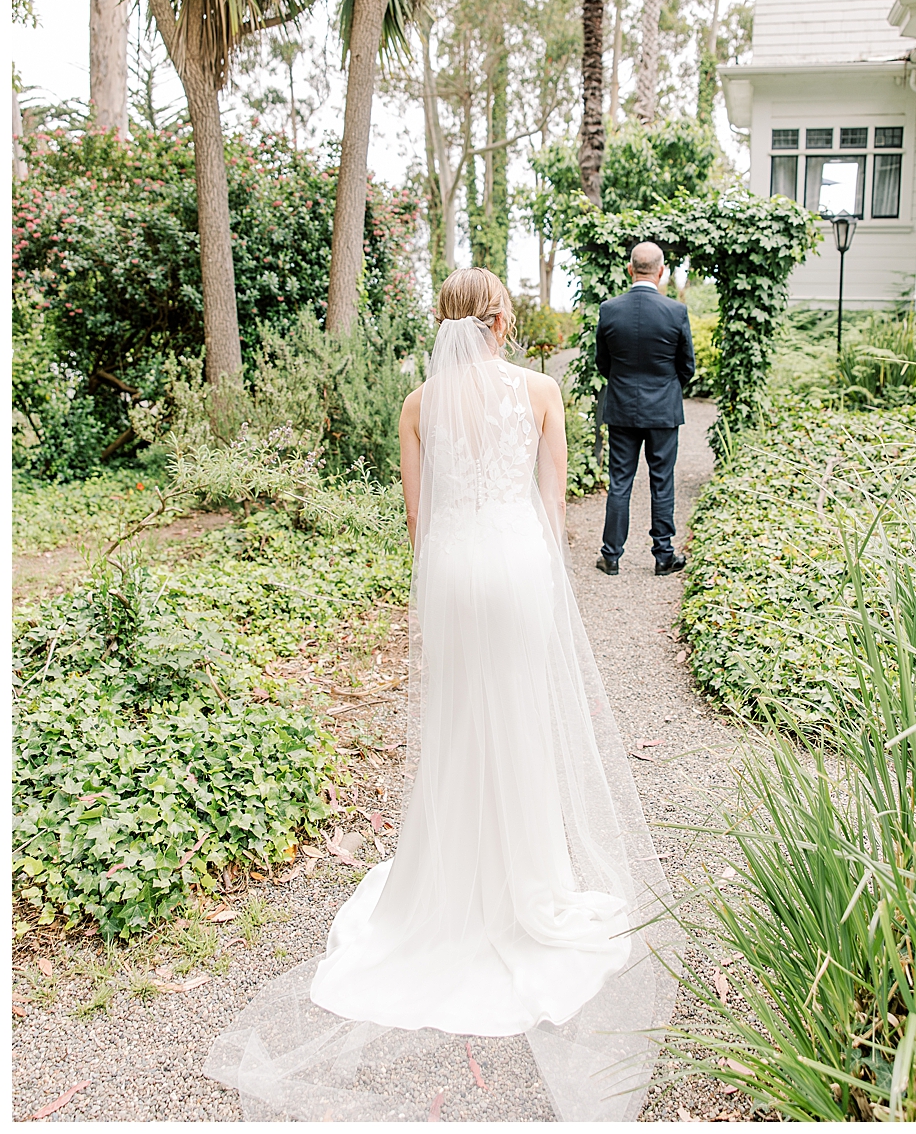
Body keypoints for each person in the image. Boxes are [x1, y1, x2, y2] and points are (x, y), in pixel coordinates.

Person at [205, 269, 681, 1121]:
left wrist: (446, 573)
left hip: (455, 574)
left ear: (446, 322)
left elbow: (420, 521)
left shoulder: (416, 405)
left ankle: (453, 880)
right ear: (501, 320)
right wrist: (538, 569)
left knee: (461, 727)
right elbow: (553, 509)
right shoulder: (539, 391)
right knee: (523, 724)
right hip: (517, 570)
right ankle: (527, 877)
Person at [594, 241, 697, 577]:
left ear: (630, 269)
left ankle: (611, 556)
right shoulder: (675, 312)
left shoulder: (609, 310)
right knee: (662, 480)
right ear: (661, 271)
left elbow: (603, 363)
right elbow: (687, 366)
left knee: (620, 481)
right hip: (664, 411)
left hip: (622, 408)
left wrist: (625, 384)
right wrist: (666, 388)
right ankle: (664, 556)